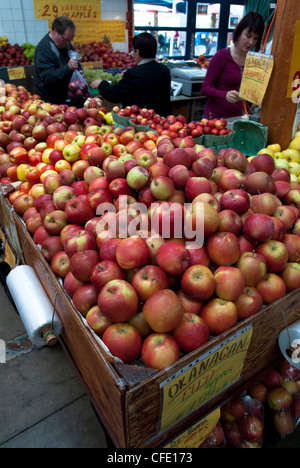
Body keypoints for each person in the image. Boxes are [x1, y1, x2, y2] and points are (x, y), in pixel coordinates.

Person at [201, 11, 265, 119]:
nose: (251, 42)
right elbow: (205, 88)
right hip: (214, 118)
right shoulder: (222, 56)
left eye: (255, 38)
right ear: (239, 32)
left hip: (237, 118)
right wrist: (224, 95)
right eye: (248, 36)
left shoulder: (253, 61)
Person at [90, 32, 172, 117]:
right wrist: (128, 78)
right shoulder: (165, 70)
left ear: (137, 52)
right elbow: (147, 81)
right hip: (163, 122)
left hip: (140, 123)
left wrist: (101, 84)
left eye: (133, 51)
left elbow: (114, 95)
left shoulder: (134, 74)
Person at [34, 16, 81, 105]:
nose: (68, 43)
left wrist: (79, 71)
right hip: (50, 102)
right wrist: (68, 67)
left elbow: (74, 60)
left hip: (66, 98)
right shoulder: (44, 49)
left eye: (70, 40)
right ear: (55, 31)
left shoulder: (65, 45)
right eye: (65, 40)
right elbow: (48, 77)